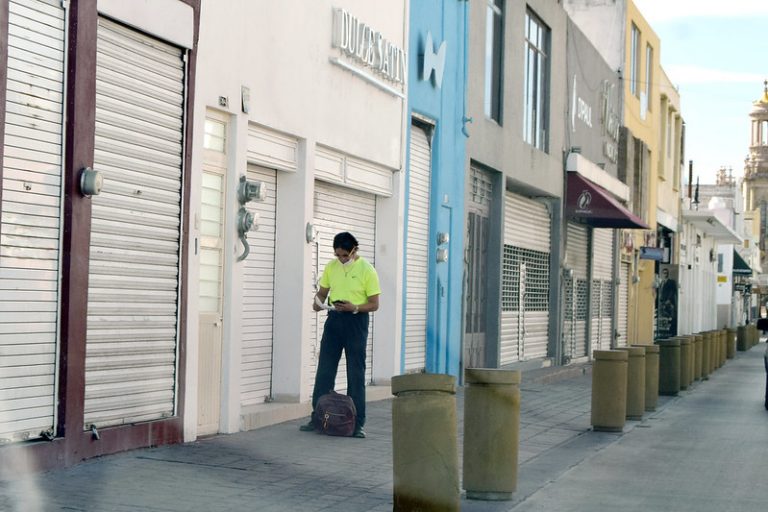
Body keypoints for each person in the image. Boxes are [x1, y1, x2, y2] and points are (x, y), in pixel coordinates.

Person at [300, 232, 380, 438]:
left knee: (355, 371)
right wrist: (318, 302)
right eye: (338, 255)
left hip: (356, 321)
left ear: (355, 250)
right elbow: (323, 293)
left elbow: (374, 304)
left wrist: (354, 308)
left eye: (345, 255)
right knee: (325, 369)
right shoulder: (331, 267)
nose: (342, 259)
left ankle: (357, 423)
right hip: (334, 320)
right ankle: (317, 417)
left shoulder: (367, 270)